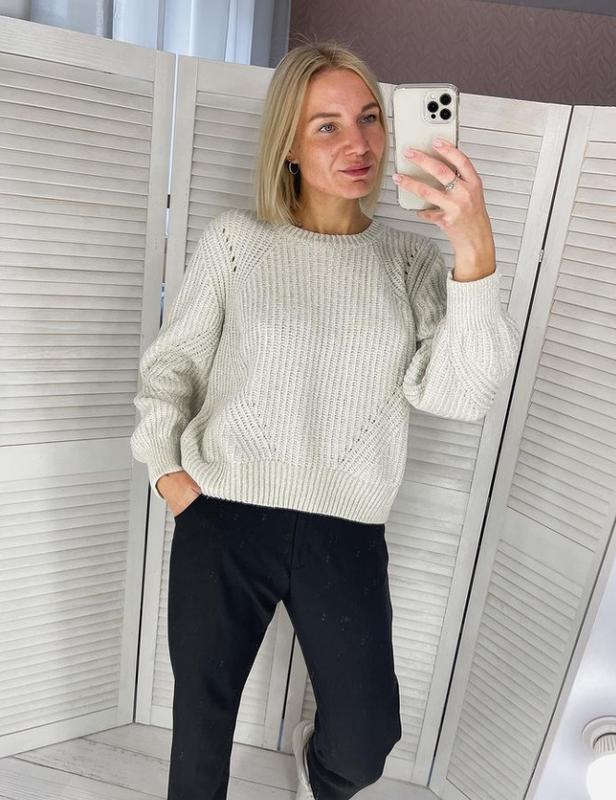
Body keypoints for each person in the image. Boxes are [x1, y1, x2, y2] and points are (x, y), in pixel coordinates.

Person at [130, 38, 521, 800]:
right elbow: (170, 368)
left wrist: (473, 245)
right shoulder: (237, 243)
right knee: (199, 741)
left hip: (345, 529)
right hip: (224, 515)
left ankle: (317, 769)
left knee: (366, 741)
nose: (360, 143)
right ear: (289, 146)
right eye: (328, 126)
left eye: (371, 118)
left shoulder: (411, 263)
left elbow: (460, 395)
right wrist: (171, 477)